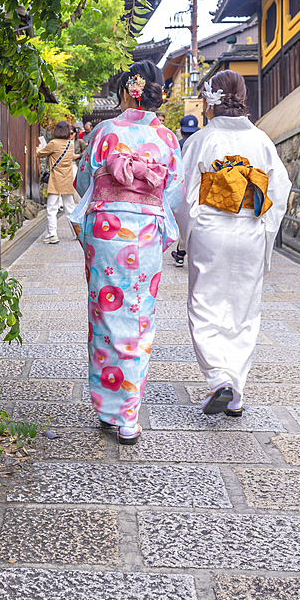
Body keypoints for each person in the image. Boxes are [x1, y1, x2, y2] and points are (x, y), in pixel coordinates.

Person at [69, 61, 184, 445]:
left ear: (124, 90)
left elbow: (83, 178)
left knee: (104, 314)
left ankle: (107, 408)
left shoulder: (104, 131)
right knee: (139, 317)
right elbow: (173, 190)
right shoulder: (167, 138)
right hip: (146, 231)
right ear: (156, 92)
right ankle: (129, 417)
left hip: (105, 229)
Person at [174, 70, 292, 417]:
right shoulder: (261, 141)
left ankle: (219, 378)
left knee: (204, 303)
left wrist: (185, 233)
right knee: (244, 309)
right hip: (251, 228)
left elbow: (182, 194)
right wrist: (265, 227)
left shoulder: (201, 140)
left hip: (211, 228)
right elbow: (280, 189)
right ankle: (236, 391)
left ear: (211, 100)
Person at [37, 120, 80, 244]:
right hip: (67, 179)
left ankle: (52, 235)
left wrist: (40, 148)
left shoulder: (53, 143)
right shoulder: (70, 144)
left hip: (55, 179)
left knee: (52, 208)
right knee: (70, 208)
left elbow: (40, 154)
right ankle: (77, 232)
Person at [171, 114, 201, 267]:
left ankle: (181, 251)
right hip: (201, 187)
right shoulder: (201, 143)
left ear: (181, 130)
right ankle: (183, 251)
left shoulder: (178, 144)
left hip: (182, 186)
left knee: (184, 218)